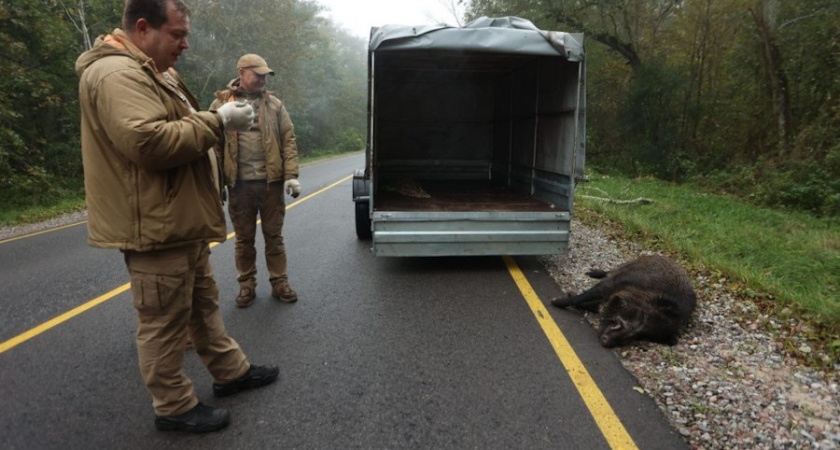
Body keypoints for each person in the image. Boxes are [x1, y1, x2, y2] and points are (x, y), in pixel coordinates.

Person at [76, 0, 279, 433]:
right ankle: (173, 406)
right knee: (163, 320)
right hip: (154, 222)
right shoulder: (116, 74)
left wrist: (212, 121)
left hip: (176, 217)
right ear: (143, 27)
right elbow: (148, 143)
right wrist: (218, 120)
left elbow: (175, 125)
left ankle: (230, 372)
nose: (185, 44)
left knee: (202, 305)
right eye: (177, 34)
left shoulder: (152, 70)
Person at [209, 54, 301, 308]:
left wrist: (291, 176)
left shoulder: (274, 105)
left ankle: (279, 282)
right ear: (241, 73)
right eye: (257, 74)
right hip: (239, 187)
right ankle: (246, 285)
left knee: (274, 237)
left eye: (264, 75)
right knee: (243, 239)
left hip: (271, 184)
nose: (262, 79)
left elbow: (288, 140)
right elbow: (213, 145)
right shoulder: (221, 105)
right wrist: (217, 182)